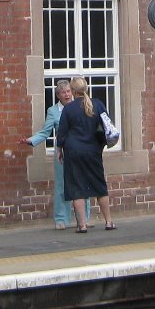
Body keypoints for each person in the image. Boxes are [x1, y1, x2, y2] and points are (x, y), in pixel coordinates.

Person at [22, 79, 90, 228]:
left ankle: (84, 219)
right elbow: (45, 132)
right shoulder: (53, 111)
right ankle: (61, 219)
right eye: (63, 92)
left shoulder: (81, 106)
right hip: (63, 153)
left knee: (83, 184)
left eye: (68, 91)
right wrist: (31, 140)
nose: (66, 95)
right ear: (57, 95)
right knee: (62, 186)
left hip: (81, 151)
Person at [55, 77, 116, 232]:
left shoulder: (69, 109)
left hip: (74, 151)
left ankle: (82, 225)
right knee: (100, 187)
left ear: (73, 91)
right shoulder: (97, 104)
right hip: (93, 150)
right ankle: (109, 222)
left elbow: (61, 133)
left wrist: (59, 149)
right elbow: (106, 125)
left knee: (77, 188)